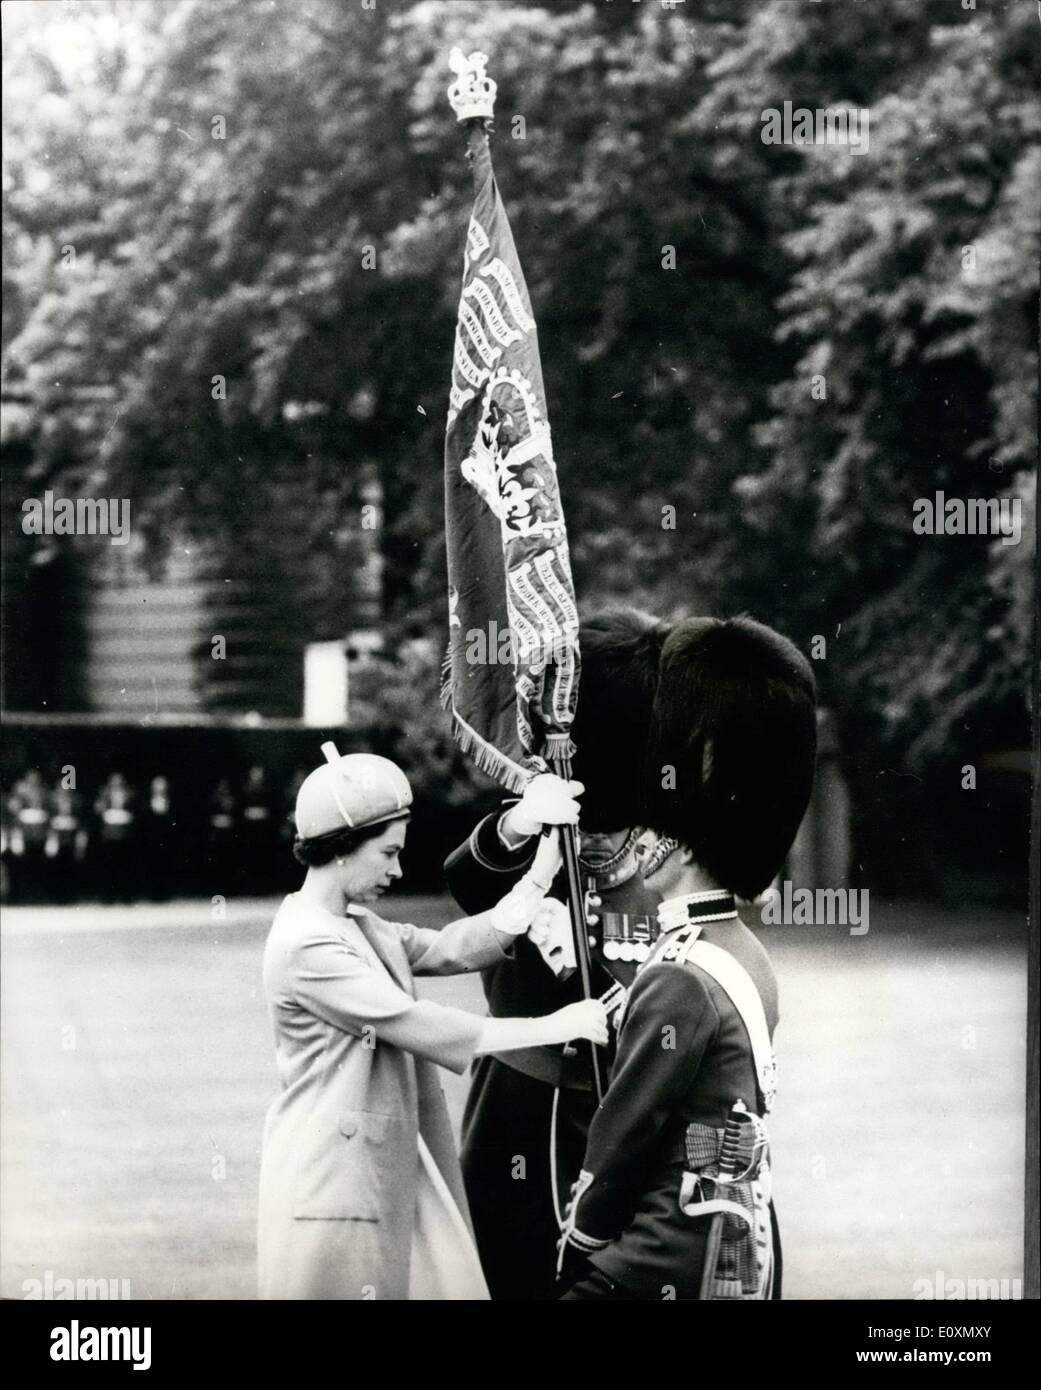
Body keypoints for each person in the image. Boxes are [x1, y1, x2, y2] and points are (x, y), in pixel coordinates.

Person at [257, 742, 607, 1301]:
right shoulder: (305, 944)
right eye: (387, 852)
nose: (397, 869)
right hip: (331, 1182)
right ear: (342, 849)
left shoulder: (357, 924)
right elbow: (420, 1023)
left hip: (376, 1164)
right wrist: (555, 1025)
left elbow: (452, 948)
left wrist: (541, 871)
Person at [557, 616, 817, 1300]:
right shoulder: (735, 951)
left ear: (674, 844)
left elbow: (623, 1130)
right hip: (734, 1238)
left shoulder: (678, 973)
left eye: (648, 834)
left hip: (664, 1250)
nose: (634, 844)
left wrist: (579, 1236)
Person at [444, 608, 669, 1299]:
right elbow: (466, 878)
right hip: (523, 1103)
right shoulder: (534, 830)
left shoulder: (661, 859)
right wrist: (519, 820)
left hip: (626, 1106)